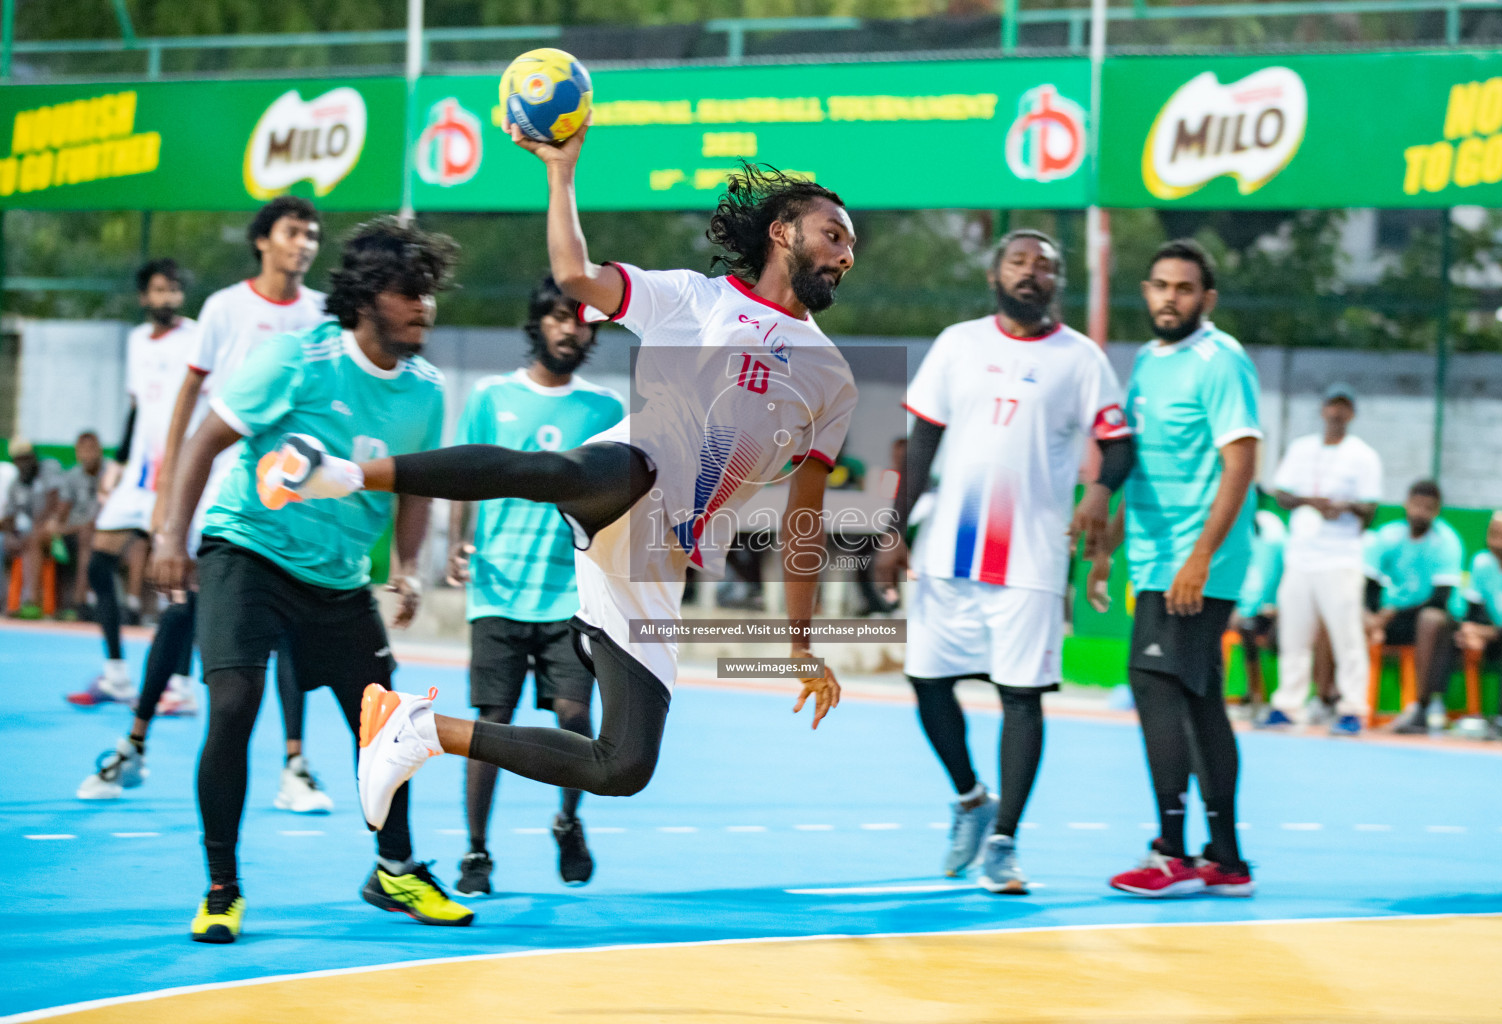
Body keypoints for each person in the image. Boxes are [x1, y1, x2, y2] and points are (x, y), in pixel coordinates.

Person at [262, 140, 853, 838]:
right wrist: (560, 169)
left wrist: (801, 644)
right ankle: (340, 474)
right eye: (834, 234)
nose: (846, 255)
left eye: (850, 246)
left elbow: (801, 522)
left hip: (655, 562)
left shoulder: (831, 376)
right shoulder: (697, 300)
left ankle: (417, 729)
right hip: (629, 471)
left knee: (624, 765)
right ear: (783, 232)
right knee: (557, 473)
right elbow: (574, 273)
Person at [148, 217, 469, 943]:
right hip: (248, 551)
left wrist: (406, 570)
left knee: (387, 723)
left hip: (337, 576)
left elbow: (416, 487)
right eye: (408, 292)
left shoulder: (424, 390)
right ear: (364, 298)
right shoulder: (296, 359)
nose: (425, 306)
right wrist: (170, 535)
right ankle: (222, 887)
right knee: (234, 704)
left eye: (430, 293)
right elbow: (206, 438)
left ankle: (395, 871)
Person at [889, 228, 1133, 895]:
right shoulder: (957, 344)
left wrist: (1100, 494)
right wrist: (890, 528)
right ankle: (971, 799)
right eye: (1018, 263)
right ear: (995, 274)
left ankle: (1004, 843)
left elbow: (1118, 446)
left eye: (1044, 267)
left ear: (1058, 282)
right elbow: (920, 446)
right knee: (926, 683)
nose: (1030, 274)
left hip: (1030, 558)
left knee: (1020, 699)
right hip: (947, 553)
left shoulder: (1082, 360)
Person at [76, 200, 333, 813]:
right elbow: (184, 407)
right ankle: (133, 745)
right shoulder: (224, 309)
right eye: (292, 232)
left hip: (295, 493)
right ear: (262, 241)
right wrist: (169, 502)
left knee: (292, 625)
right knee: (182, 612)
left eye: (313, 235)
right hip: (222, 493)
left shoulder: (323, 314)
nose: (304, 244)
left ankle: (295, 765)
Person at [445, 274, 623, 896]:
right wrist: (455, 544)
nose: (570, 329)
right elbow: (464, 474)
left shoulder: (606, 412)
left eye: (581, 320)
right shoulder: (491, 398)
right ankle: (476, 852)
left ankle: (567, 821)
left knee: (577, 719)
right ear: (538, 323)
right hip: (497, 590)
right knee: (491, 720)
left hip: (571, 596)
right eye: (558, 317)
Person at [1100, 239, 1259, 899]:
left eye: (1185, 288)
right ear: (1147, 290)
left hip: (1193, 562)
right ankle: (1225, 858)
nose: (1171, 297)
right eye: (1161, 285)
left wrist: (1199, 559)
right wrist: (1108, 543)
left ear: (1207, 298)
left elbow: (1241, 462)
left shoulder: (1221, 360)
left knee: (1154, 684)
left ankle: (1173, 851)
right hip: (1154, 558)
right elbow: (1136, 459)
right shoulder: (1147, 361)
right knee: (1196, 702)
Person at [70, 260, 197, 699]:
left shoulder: (198, 338)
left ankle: (179, 686)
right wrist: (117, 467)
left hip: (179, 477)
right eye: (160, 290)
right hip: (138, 481)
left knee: (177, 581)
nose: (169, 298)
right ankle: (116, 674)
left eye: (175, 289)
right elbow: (138, 409)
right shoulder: (138, 341)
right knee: (100, 564)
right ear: (145, 297)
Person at [1263, 384, 1382, 736]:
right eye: (1332, 405)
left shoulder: (1363, 456)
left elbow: (1370, 508)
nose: (1336, 412)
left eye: (1344, 407)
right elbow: (1281, 494)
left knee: (1347, 636)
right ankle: (1287, 705)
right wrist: (1309, 502)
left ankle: (1352, 709)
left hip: (1340, 557)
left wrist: (1344, 506)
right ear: (1323, 410)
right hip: (1301, 556)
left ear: (1352, 414)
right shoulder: (1301, 449)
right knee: (1293, 636)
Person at [1366, 480, 1465, 735]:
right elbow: (1369, 586)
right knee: (1345, 611)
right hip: (1390, 618)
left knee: (1430, 619)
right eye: (1417, 505)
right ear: (1406, 504)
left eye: (1428, 507)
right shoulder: (1387, 536)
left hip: (1437, 621)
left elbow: (1440, 599)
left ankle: (1421, 708)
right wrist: (1370, 618)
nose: (1421, 512)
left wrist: (1390, 614)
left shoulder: (1447, 542)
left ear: (1437, 510)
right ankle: (1336, 701)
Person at [1438, 513, 1502, 741]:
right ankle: (1434, 709)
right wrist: (1472, 631)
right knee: (1451, 633)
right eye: (1495, 535)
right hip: (1495, 634)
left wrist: (1491, 633)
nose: (1500, 542)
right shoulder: (1481, 562)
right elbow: (1474, 610)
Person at [39, 432, 106, 618]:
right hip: (75, 530)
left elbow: (105, 512)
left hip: (102, 531)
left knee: (88, 533)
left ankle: (81, 601)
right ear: (77, 453)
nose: (88, 455)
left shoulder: (110, 472)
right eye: (83, 451)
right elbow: (62, 511)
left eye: (91, 449)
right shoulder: (72, 476)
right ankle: (37, 605)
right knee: (40, 536)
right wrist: (53, 524)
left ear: (99, 450)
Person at [1230, 508, 1286, 714]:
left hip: (1270, 612)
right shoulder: (1236, 537)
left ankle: (1256, 698)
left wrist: (1245, 610)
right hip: (1240, 608)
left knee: (1248, 626)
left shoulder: (1270, 533)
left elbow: (1263, 581)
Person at [3, 440, 61, 614]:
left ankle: (32, 602)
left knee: (33, 540)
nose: (23, 464)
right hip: (30, 534)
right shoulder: (16, 484)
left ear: (34, 458)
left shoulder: (48, 471)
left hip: (56, 532)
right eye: (19, 460)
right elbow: (9, 516)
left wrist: (39, 525)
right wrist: (10, 533)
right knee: (11, 543)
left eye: (26, 458)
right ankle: (9, 603)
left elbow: (55, 501)